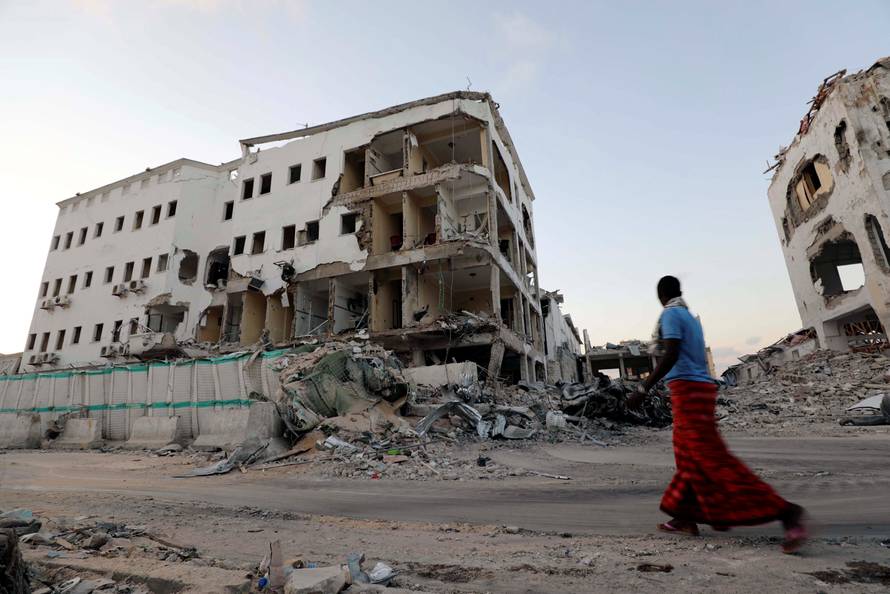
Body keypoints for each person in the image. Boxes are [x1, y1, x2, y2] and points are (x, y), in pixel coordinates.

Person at [627, 275, 809, 553]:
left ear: (662, 296)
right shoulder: (687, 316)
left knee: (711, 459)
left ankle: (786, 512)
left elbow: (672, 354)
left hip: (690, 391)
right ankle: (685, 515)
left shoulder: (671, 315)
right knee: (689, 457)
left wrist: (644, 387)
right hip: (691, 389)